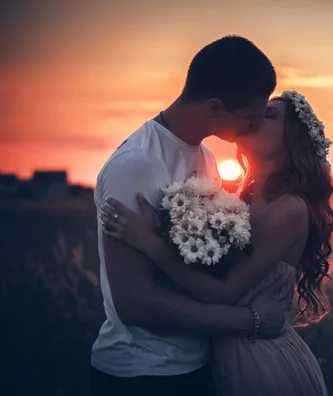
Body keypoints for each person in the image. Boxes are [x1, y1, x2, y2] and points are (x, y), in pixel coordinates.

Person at [100, 90, 333, 396]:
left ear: (291, 140)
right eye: (257, 111)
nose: (255, 118)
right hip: (228, 354)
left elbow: (223, 291)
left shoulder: (289, 209)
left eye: (270, 116)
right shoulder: (246, 201)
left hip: (262, 364)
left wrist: (151, 243)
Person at [89, 35, 288, 396]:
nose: (253, 127)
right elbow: (135, 304)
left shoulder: (207, 159)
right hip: (142, 376)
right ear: (214, 107)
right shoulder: (137, 164)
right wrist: (250, 321)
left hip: (198, 367)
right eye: (248, 119)